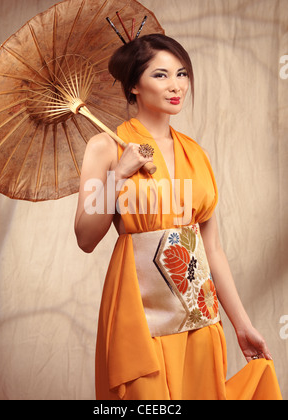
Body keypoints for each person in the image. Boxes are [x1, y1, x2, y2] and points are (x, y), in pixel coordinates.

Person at [74, 34, 282, 400]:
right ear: (134, 85)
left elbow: (212, 249)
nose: (176, 86)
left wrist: (242, 325)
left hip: (198, 312)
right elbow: (86, 238)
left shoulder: (196, 154)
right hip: (137, 314)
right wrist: (118, 174)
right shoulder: (105, 146)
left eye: (182, 73)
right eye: (161, 75)